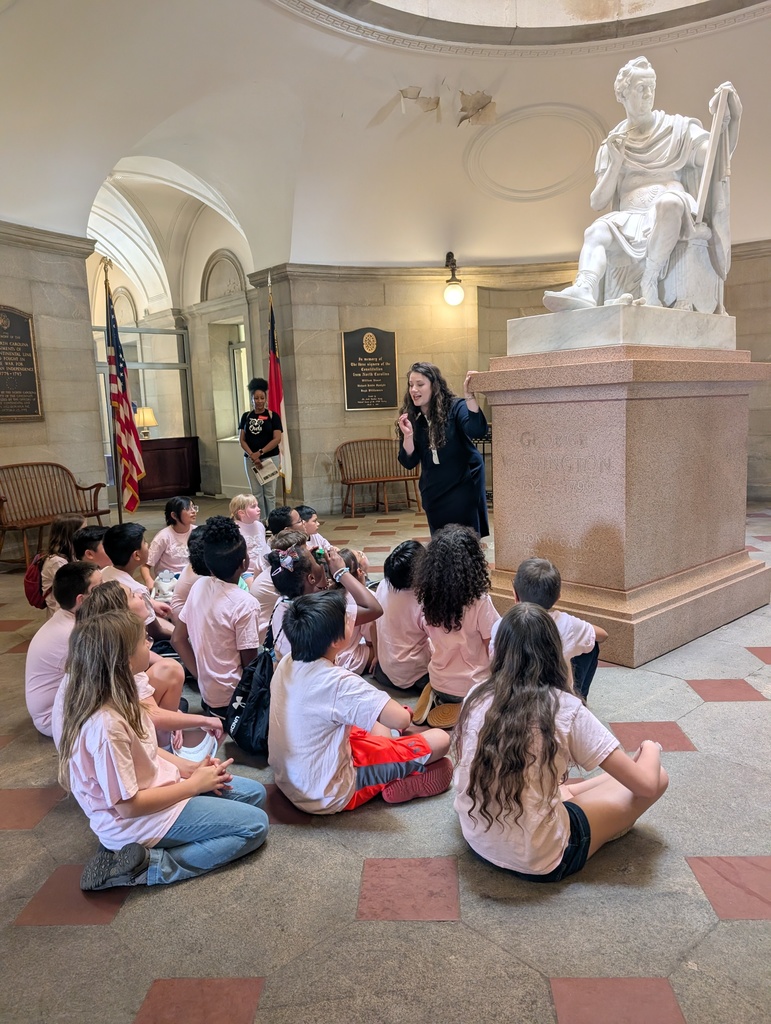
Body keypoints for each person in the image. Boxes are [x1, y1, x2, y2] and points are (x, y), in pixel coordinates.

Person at [454, 604, 668, 882]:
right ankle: (578, 805)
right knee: (657, 776)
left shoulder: (476, 695)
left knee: (614, 775)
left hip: (477, 836)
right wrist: (651, 747)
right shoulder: (564, 708)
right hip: (541, 857)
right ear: (554, 651)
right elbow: (647, 785)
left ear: (499, 650)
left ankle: (565, 793)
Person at [58, 610, 268, 890]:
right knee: (255, 826)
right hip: (137, 820)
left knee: (255, 794)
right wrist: (193, 786)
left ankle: (141, 850)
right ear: (124, 660)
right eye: (142, 641)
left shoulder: (121, 691)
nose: (149, 643)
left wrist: (189, 769)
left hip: (160, 788)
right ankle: (151, 865)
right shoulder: (106, 726)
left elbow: (148, 750)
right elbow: (128, 806)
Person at [543, 57, 742, 312]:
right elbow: (598, 202)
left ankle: (649, 278)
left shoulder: (677, 129)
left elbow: (715, 156)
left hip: (671, 212)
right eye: (641, 88)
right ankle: (585, 287)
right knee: (596, 231)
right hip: (631, 220)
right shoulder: (614, 143)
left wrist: (729, 120)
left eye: (651, 87)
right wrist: (615, 164)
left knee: (669, 202)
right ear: (623, 95)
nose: (648, 94)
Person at [268, 589, 453, 814]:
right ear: (336, 640)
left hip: (289, 778)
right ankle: (400, 774)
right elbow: (402, 719)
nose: (351, 620)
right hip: (329, 792)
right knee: (441, 739)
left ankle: (393, 757)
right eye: (347, 619)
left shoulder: (287, 662)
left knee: (375, 721)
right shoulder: (338, 683)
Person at [172, 516, 261, 724]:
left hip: (209, 695)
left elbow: (177, 639)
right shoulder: (245, 603)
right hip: (234, 701)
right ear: (245, 563)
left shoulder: (199, 586)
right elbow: (250, 667)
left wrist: (202, 676)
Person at [413, 524, 500, 729]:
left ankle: (438, 697)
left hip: (439, 679)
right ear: (474, 563)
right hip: (473, 686)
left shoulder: (427, 599)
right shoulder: (480, 601)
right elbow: (492, 645)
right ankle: (469, 707)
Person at [491, 557, 608, 700]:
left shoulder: (500, 625)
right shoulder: (567, 623)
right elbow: (602, 635)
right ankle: (579, 698)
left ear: (515, 594)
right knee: (590, 644)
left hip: (509, 698)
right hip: (555, 701)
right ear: (558, 597)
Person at [397, 362, 488, 537]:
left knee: (464, 542)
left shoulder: (456, 407)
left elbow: (477, 430)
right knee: (440, 544)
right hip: (434, 491)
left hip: (462, 487)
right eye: (411, 385)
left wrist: (469, 396)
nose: (414, 390)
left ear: (434, 385)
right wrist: (408, 436)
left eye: (420, 384)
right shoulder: (414, 418)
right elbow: (409, 462)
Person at [25, 561, 103, 736]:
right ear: (81, 600)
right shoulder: (72, 633)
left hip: (61, 708)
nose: (107, 591)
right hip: (55, 718)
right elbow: (104, 675)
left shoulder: (68, 618)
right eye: (99, 589)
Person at [372, 540, 430, 690]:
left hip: (386, 669)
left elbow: (374, 624)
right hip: (416, 673)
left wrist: (377, 655)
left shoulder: (383, 585)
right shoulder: (423, 599)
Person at [101, 524, 174, 641]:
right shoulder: (137, 590)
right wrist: (186, 637)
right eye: (144, 543)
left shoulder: (104, 572)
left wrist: (151, 603)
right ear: (137, 555)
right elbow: (156, 632)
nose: (147, 545)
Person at [239, 376, 283, 517]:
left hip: (270, 459)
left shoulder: (273, 416)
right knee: (256, 493)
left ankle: (271, 520)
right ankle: (260, 521)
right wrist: (253, 455)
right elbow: (242, 440)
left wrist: (260, 453)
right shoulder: (246, 416)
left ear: (266, 398)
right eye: (256, 398)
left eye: (262, 398)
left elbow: (277, 439)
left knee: (269, 493)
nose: (259, 401)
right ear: (252, 399)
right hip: (250, 459)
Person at [140, 496, 198, 590]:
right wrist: (149, 581)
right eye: (188, 508)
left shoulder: (197, 532)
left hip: (192, 580)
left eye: (194, 507)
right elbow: (145, 565)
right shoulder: (163, 537)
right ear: (174, 515)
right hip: (169, 583)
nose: (194, 511)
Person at [40, 514, 87, 614]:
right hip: (61, 611)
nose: (86, 534)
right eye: (83, 530)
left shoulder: (72, 553)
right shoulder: (57, 561)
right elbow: (69, 589)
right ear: (71, 534)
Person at [230, 493, 269, 574]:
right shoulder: (235, 529)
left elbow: (264, 546)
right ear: (241, 513)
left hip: (264, 566)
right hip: (247, 571)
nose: (259, 509)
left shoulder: (260, 525)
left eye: (257, 506)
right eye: (253, 507)